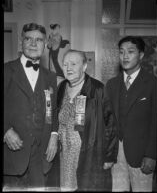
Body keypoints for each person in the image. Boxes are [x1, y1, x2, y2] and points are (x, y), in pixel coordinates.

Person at [4, 23, 58, 188]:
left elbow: (52, 110)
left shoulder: (50, 76)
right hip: (12, 154)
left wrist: (54, 135)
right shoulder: (6, 70)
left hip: (40, 157)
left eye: (39, 40)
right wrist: (5, 130)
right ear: (22, 42)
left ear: (45, 44)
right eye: (29, 39)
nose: (34, 44)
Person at [56, 49, 118, 191]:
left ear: (84, 66)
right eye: (65, 64)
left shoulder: (97, 89)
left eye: (73, 64)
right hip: (64, 155)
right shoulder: (61, 88)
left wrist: (109, 156)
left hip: (88, 155)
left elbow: (111, 125)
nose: (68, 68)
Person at [105, 36, 157, 192]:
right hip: (116, 154)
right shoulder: (112, 84)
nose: (125, 56)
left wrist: (151, 155)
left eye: (130, 52)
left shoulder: (153, 83)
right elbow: (108, 120)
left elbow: (155, 122)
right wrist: (108, 152)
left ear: (141, 55)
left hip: (141, 154)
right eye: (121, 52)